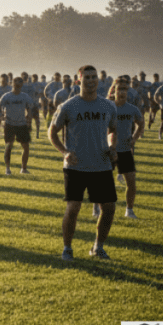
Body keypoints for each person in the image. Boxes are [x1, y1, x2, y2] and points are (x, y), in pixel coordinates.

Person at [48, 65, 119, 261]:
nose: (91, 80)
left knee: (109, 208)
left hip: (101, 165)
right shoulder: (69, 106)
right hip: (76, 166)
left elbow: (113, 130)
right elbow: (52, 132)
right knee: (73, 208)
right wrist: (64, 152)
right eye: (86, 77)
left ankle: (98, 246)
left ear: (98, 80)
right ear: (79, 80)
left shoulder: (108, 106)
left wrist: (112, 148)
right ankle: (67, 248)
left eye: (93, 77)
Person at [109, 81, 145, 219]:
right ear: (114, 92)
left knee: (131, 181)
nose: (122, 92)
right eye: (119, 89)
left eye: (125, 90)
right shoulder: (108, 107)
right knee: (104, 181)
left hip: (125, 150)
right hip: (110, 150)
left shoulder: (132, 109)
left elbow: (140, 124)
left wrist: (134, 138)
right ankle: (97, 208)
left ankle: (129, 211)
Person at [0, 77, 34, 175]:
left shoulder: (25, 96)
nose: (17, 84)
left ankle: (23, 169)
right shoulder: (6, 96)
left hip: (22, 124)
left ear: (22, 84)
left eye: (20, 82)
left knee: (26, 147)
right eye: (16, 82)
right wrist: (1, 117)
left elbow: (29, 108)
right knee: (9, 146)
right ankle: (7, 169)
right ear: (12, 84)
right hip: (9, 124)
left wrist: (29, 118)